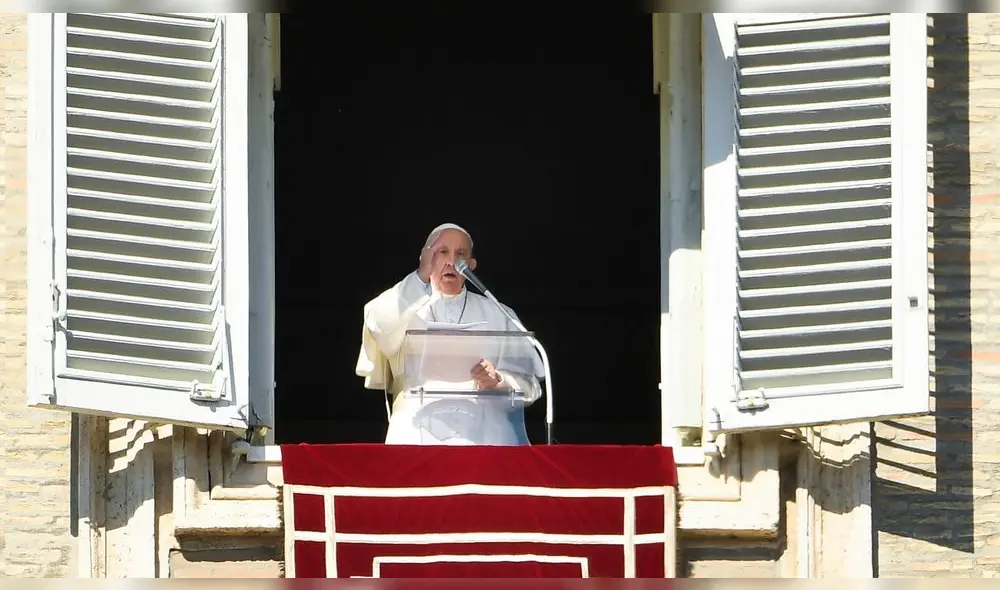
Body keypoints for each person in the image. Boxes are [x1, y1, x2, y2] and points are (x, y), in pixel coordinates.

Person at [356, 222, 543, 445]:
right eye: (441, 252)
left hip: (483, 441)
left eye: (460, 254)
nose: (451, 261)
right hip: (415, 437)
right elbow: (377, 324)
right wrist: (419, 276)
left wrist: (499, 380)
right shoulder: (402, 305)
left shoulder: (499, 313)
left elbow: (530, 385)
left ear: (471, 265)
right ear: (425, 258)